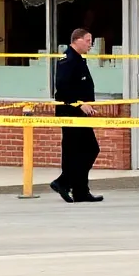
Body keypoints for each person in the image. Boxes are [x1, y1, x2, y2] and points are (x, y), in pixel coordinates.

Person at [51, 28, 103, 203]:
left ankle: (80, 190)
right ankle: (64, 182)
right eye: (88, 41)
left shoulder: (78, 59)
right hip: (71, 112)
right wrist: (80, 103)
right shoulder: (69, 58)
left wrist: (87, 104)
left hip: (80, 112)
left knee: (78, 151)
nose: (91, 44)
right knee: (89, 149)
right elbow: (62, 86)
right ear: (77, 40)